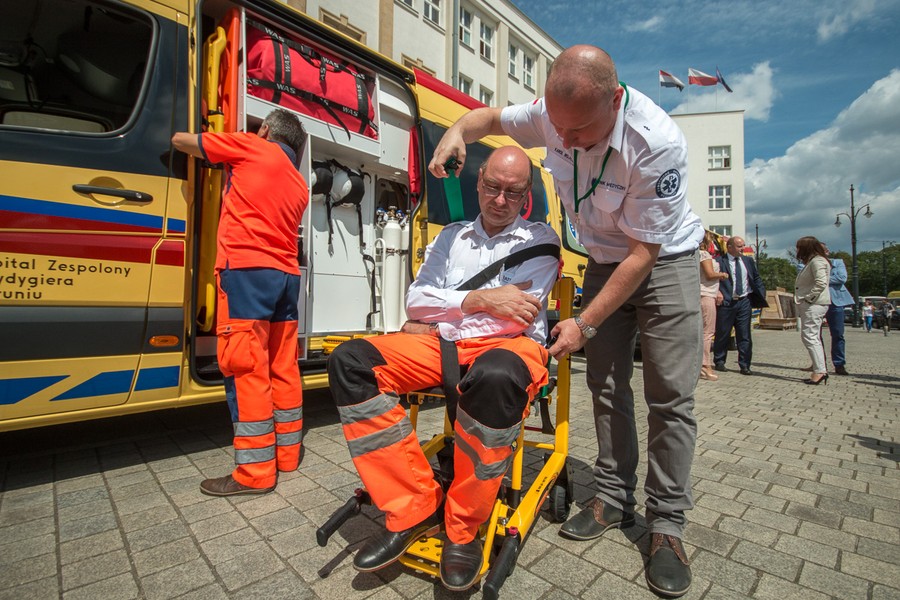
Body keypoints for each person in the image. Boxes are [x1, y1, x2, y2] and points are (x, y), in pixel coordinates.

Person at [429, 45, 703, 598]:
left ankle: (667, 525)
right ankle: (610, 497)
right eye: (558, 129)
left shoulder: (655, 143)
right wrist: (457, 131)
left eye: (579, 132)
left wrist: (583, 323)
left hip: (662, 258)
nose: (565, 141)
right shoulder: (553, 116)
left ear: (615, 101)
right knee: (604, 386)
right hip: (604, 259)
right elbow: (486, 118)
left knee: (669, 393)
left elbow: (643, 256)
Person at [327, 146, 560, 592]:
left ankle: (463, 528)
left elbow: (514, 318)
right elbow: (414, 300)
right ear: (478, 184)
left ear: (526, 195)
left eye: (512, 192)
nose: (499, 199)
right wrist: (476, 300)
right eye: (492, 187)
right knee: (351, 361)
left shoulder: (541, 241)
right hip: (441, 345)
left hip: (506, 346)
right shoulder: (450, 237)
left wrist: (442, 312)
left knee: (495, 377)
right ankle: (414, 505)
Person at [171, 109, 309, 496]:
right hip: (286, 276)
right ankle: (287, 455)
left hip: (246, 271)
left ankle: (255, 474)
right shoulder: (299, 183)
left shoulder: (251, 147)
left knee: (247, 367)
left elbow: (183, 141)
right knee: (282, 365)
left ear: (264, 130)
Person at [713, 236, 768, 376]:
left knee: (744, 335)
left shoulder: (748, 261)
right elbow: (712, 280)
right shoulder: (719, 261)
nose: (742, 248)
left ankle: (745, 365)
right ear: (729, 247)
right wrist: (718, 292)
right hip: (727, 302)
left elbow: (756, 278)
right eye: (739, 246)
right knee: (723, 333)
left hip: (744, 301)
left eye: (743, 245)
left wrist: (760, 293)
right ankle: (719, 361)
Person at [794, 236, 831, 385]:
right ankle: (819, 369)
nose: (797, 250)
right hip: (813, 304)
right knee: (810, 336)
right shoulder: (814, 261)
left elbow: (821, 282)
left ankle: (820, 371)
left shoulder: (818, 261)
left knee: (810, 336)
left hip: (814, 304)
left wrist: (809, 298)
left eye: (798, 247)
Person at [699, 231, 728, 381]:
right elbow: (709, 274)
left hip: (705, 293)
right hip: (706, 295)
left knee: (702, 331)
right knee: (707, 332)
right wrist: (722, 275)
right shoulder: (704, 254)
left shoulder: (697, 254)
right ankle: (705, 366)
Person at [823, 248, 854, 375]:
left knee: (838, 334)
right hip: (817, 301)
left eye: (825, 250)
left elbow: (842, 278)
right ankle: (818, 363)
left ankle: (839, 363)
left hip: (836, 302)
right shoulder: (805, 264)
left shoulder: (838, 262)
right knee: (814, 335)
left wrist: (820, 279)